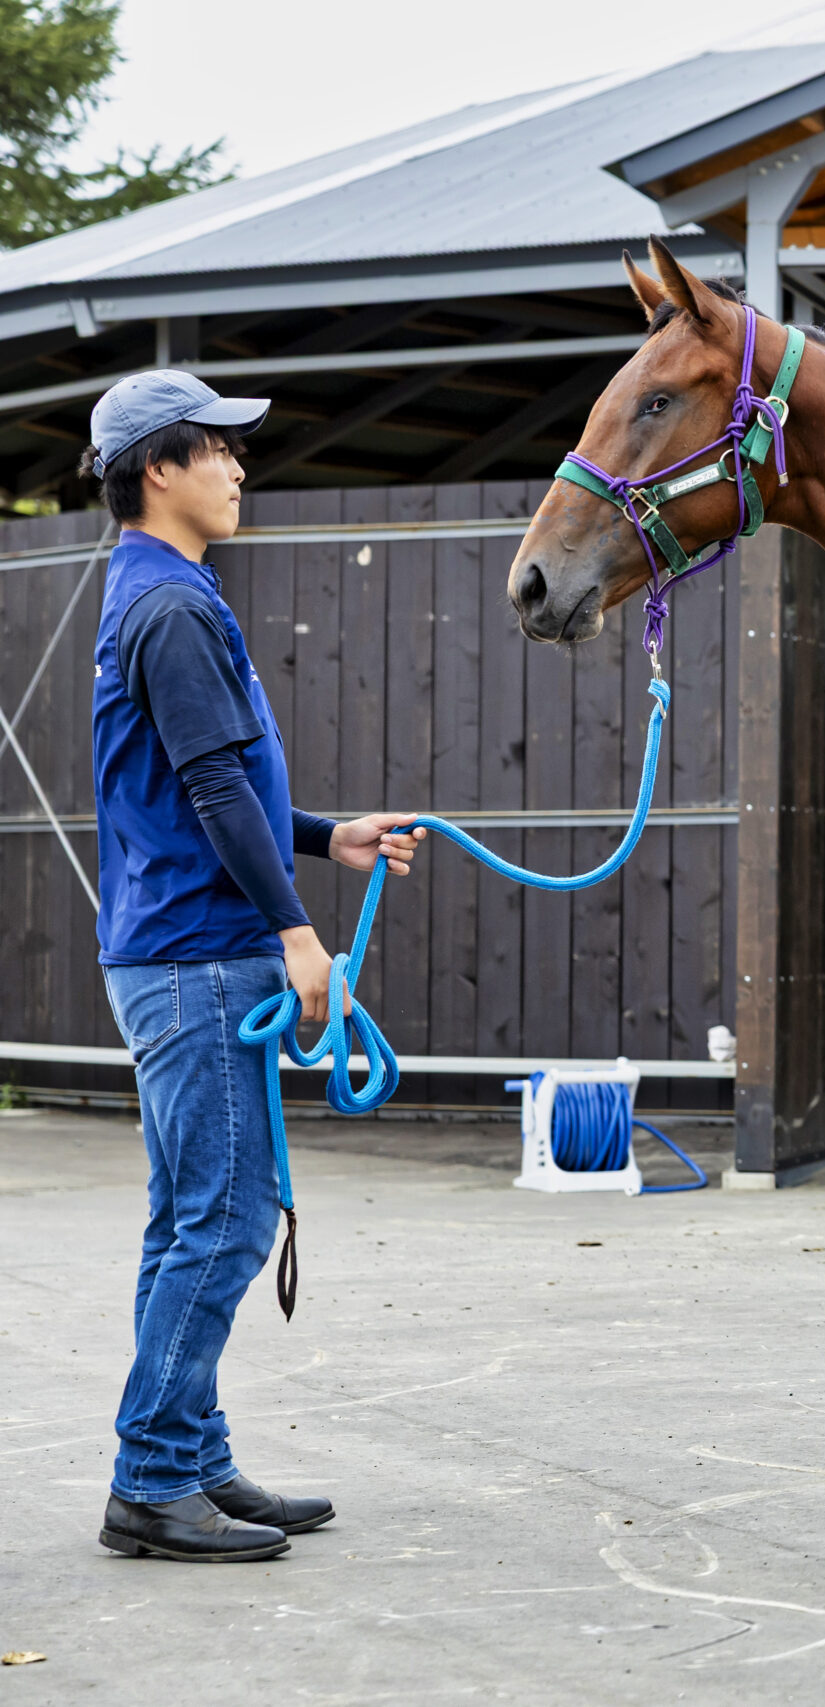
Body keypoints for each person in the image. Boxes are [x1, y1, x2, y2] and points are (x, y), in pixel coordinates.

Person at [80, 371, 421, 1563]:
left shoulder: (164, 594)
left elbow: (211, 781)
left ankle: (194, 1458)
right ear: (158, 468)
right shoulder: (169, 606)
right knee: (225, 1223)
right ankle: (153, 1479)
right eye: (219, 450)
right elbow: (215, 789)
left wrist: (331, 838)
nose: (239, 467)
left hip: (176, 949)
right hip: (199, 957)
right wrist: (295, 931)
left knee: (190, 1220)